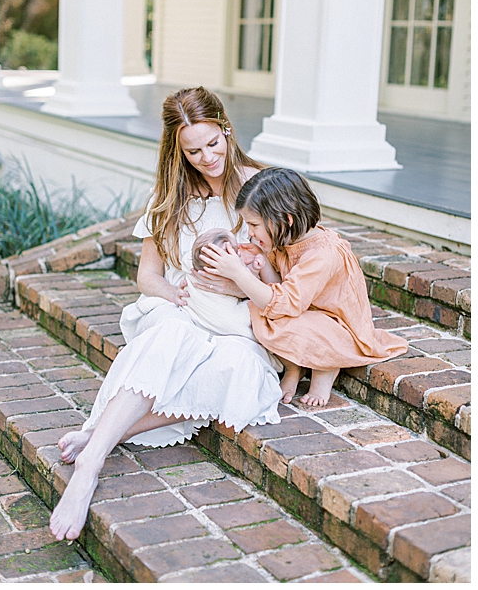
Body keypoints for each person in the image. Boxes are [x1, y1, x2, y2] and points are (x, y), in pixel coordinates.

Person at [49, 86, 284, 542]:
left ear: (226, 130)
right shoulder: (170, 195)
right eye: (193, 150)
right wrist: (173, 292)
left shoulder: (261, 185)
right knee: (171, 337)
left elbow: (281, 281)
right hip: (183, 308)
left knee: (237, 369)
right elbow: (147, 276)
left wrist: (240, 280)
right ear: (177, 149)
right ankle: (90, 465)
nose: (206, 157)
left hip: (240, 321)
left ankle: (101, 433)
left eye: (213, 144)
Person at [199, 167, 408, 407]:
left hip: (336, 328)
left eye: (254, 225)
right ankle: (294, 367)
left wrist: (238, 273)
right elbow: (279, 286)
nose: (250, 232)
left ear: (286, 219)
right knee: (260, 310)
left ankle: (325, 368)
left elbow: (284, 302)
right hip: (306, 315)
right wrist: (263, 260)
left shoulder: (323, 253)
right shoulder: (287, 238)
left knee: (267, 310)